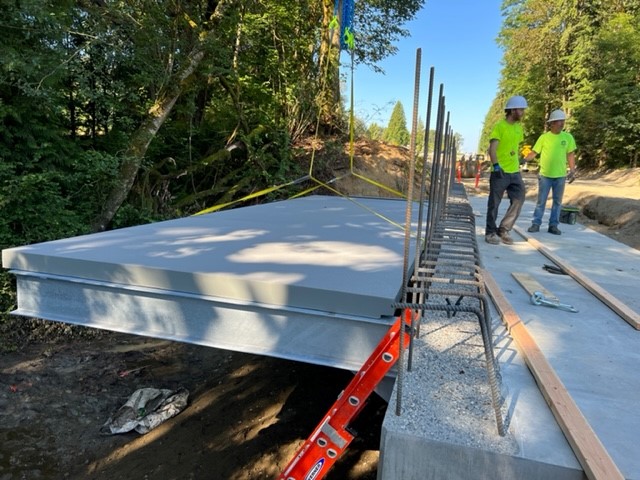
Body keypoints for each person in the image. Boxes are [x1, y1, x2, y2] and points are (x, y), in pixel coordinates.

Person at [524, 109, 577, 235]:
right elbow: (534, 152)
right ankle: (536, 224)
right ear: (552, 123)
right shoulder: (544, 138)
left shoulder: (568, 137)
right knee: (541, 201)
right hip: (545, 176)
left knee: (557, 202)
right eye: (559, 121)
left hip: (560, 176)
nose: (562, 124)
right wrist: (522, 160)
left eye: (563, 121)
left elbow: (570, 155)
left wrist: (573, 170)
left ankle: (553, 225)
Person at [485, 95, 528, 245]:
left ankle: (504, 229)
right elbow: (493, 148)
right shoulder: (500, 126)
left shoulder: (518, 128)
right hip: (500, 171)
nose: (522, 112)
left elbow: (515, 148)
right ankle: (490, 232)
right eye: (521, 109)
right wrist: (496, 165)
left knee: (519, 199)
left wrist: (521, 160)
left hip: (514, 172)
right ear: (512, 110)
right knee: (494, 203)